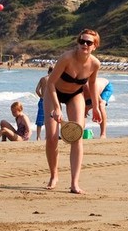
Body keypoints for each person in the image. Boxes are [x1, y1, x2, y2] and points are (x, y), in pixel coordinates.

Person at [44, 29, 103, 194]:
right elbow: (50, 83)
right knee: (52, 137)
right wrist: (56, 108)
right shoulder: (66, 58)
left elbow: (91, 85)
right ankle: (54, 175)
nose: (84, 44)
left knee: (77, 136)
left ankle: (74, 183)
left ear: (94, 46)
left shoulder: (95, 64)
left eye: (89, 42)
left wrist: (96, 107)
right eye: (82, 41)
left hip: (75, 95)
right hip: (54, 92)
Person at [33, 66, 51, 141]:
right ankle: (47, 136)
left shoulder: (43, 79)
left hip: (42, 100)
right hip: (51, 101)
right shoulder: (55, 79)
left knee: (40, 119)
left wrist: (41, 96)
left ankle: (38, 136)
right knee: (50, 119)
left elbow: (37, 90)